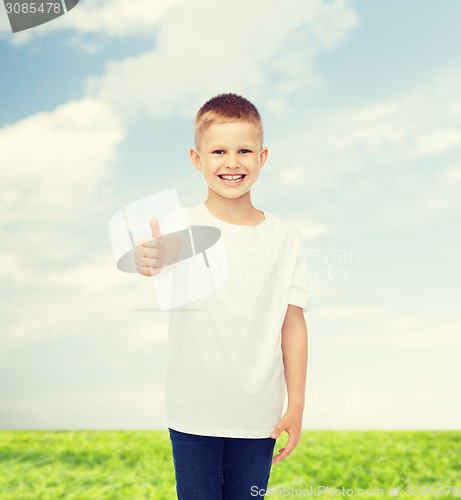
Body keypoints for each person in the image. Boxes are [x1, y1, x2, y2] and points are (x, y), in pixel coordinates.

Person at [135, 93, 310, 499]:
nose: (232, 162)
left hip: (258, 416)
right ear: (197, 159)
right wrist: (150, 259)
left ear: (262, 156)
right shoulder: (182, 224)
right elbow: (159, 263)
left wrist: (296, 404)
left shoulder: (285, 237)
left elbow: (293, 323)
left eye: (244, 150)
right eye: (219, 151)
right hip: (193, 412)